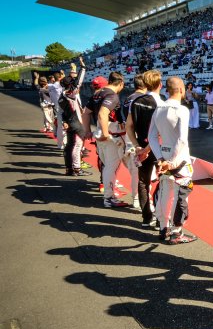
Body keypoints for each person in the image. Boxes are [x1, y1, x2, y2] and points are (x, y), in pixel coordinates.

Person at [148, 77, 198, 243]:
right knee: (180, 195)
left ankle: (163, 227)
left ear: (167, 90)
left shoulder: (159, 109)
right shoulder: (182, 109)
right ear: (182, 90)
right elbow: (182, 139)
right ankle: (177, 232)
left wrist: (161, 158)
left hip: (164, 155)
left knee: (164, 193)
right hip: (179, 159)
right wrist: (172, 160)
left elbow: (151, 137)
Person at [84, 72, 129, 208]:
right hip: (110, 134)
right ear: (121, 83)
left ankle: (109, 195)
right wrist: (105, 134)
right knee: (111, 166)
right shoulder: (112, 95)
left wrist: (87, 130)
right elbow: (103, 114)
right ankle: (109, 197)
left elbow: (86, 112)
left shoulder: (97, 94)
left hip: (100, 133)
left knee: (107, 165)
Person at [126, 70, 160, 228]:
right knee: (164, 181)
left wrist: (137, 145)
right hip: (158, 147)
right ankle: (161, 218)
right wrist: (147, 148)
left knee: (143, 181)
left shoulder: (135, 101)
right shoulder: (162, 103)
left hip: (141, 144)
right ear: (160, 84)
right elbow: (160, 131)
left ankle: (147, 217)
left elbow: (129, 126)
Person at [59, 76, 91, 177]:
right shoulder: (69, 94)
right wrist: (83, 69)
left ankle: (69, 169)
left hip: (70, 123)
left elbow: (62, 112)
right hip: (76, 124)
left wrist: (64, 121)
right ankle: (77, 169)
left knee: (69, 146)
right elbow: (78, 83)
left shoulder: (62, 96)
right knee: (77, 146)